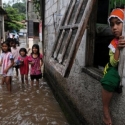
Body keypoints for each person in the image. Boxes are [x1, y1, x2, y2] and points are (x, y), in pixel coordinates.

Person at [100, 8, 125, 125]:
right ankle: (105, 111)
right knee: (109, 80)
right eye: (112, 24)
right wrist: (118, 49)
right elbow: (114, 63)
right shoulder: (113, 43)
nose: (114, 27)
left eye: (118, 23)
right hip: (114, 67)